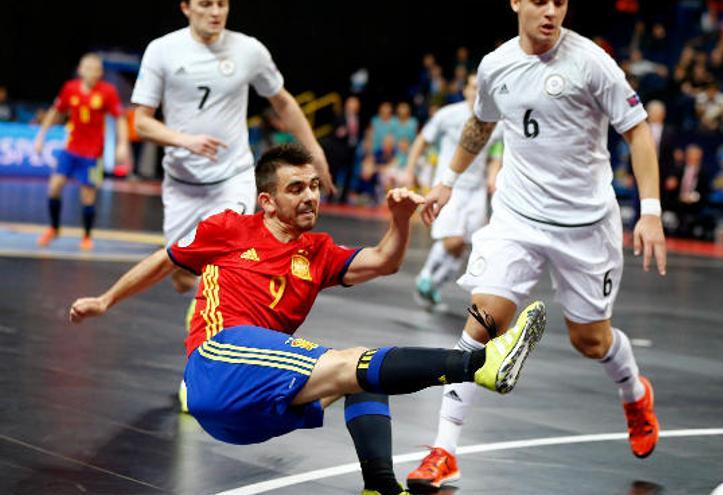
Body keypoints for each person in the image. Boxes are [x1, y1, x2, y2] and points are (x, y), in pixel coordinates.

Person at [68, 144, 546, 495]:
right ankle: (477, 364)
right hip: (217, 362)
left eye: (315, 186)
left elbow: (384, 261)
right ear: (267, 201)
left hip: (254, 410)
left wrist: (398, 220)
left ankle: (379, 484)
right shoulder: (230, 230)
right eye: (296, 188)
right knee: (354, 361)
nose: (310, 196)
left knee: (364, 373)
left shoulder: (316, 251)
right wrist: (106, 300)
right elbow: (166, 259)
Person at [408, 0, 666, 490]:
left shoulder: (591, 62)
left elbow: (637, 131)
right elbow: (481, 123)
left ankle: (634, 393)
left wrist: (650, 213)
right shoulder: (496, 65)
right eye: (540, 1)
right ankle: (444, 450)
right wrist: (446, 181)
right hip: (517, 218)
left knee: (590, 342)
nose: (550, 11)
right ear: (515, 3)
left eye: (560, 2)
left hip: (586, 226)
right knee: (483, 321)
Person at [131, 0, 333, 294]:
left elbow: (284, 102)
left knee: (226, 256)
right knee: (182, 277)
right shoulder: (162, 50)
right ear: (186, 7)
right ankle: (204, 300)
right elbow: (140, 122)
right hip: (182, 182)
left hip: (232, 177)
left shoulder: (248, 50)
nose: (216, 12)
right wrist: (186, 140)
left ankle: (216, 324)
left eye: (222, 4)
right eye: (206, 4)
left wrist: (314, 149)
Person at [402, 73, 503, 310]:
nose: (477, 91)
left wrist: (492, 177)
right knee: (453, 240)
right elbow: (421, 141)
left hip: (476, 191)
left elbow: (496, 154)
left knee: (462, 245)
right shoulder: (448, 115)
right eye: (473, 86)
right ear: (465, 89)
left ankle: (433, 285)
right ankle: (425, 276)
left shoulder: (497, 121)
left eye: (482, 88)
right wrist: (409, 170)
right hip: (449, 187)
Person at [33, 53, 130, 251]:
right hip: (70, 150)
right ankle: (54, 227)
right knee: (54, 187)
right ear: (81, 70)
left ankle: (86, 235)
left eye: (98, 70)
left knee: (88, 197)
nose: (94, 73)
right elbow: (56, 111)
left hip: (93, 155)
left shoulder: (107, 92)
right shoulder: (71, 89)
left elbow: (119, 118)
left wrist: (123, 144)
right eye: (90, 68)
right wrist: (41, 135)